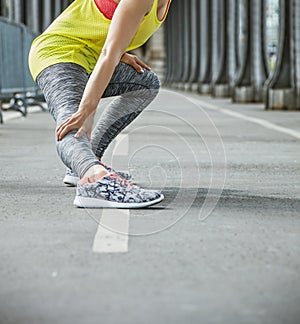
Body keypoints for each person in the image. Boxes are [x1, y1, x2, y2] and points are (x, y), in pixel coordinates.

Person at [28, 0, 172, 209]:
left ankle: (86, 158)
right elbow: (107, 52)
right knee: (73, 122)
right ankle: (92, 179)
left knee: (145, 83)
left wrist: (120, 53)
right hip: (59, 53)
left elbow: (98, 30)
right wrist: (86, 109)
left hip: (90, 59)